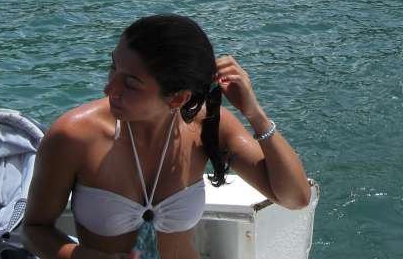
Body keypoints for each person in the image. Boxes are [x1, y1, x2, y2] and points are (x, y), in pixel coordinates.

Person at [22, 14, 310, 259]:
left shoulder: (207, 125)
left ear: (177, 98)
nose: (109, 89)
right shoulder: (74, 136)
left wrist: (255, 114)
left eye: (130, 83)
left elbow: (295, 198)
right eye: (113, 68)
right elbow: (34, 229)